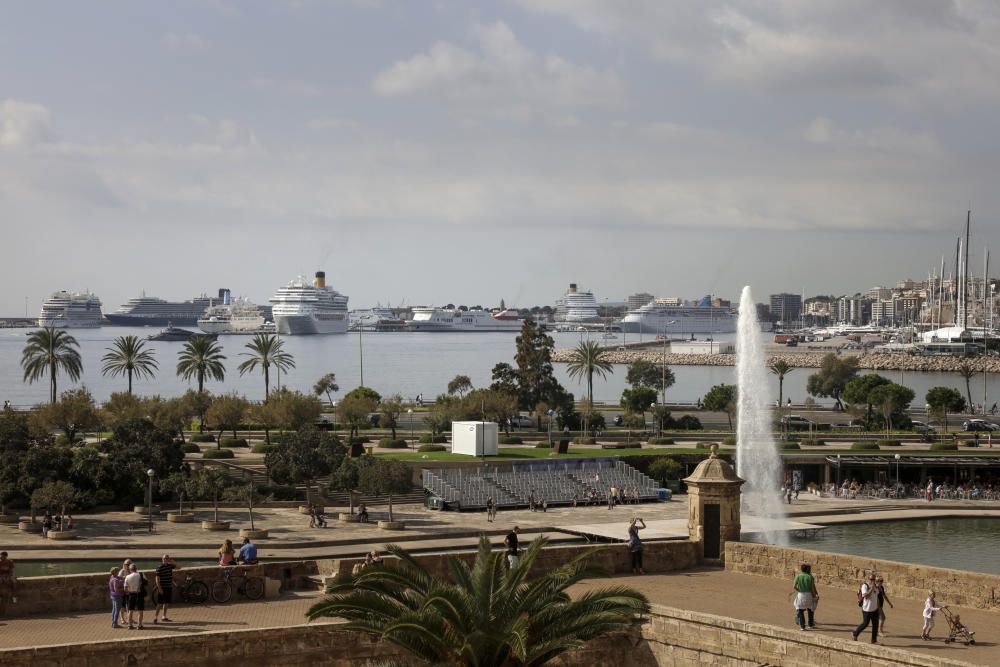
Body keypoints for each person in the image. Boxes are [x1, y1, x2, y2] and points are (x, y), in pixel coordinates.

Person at [852, 574, 880, 643]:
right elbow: (866, 596)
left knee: (875, 625)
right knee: (865, 624)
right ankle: (855, 634)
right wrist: (871, 589)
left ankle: (873, 640)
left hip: (874, 609)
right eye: (871, 579)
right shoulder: (865, 586)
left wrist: (879, 608)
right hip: (867, 610)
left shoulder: (876, 587)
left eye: (874, 580)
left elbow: (877, 597)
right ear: (868, 579)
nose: (872, 581)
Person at [152, 554, 179, 623]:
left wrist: (173, 562)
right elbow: (157, 580)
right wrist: (160, 588)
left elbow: (179, 567)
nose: (166, 560)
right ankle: (155, 617)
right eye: (164, 558)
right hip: (162, 587)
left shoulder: (170, 566)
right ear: (162, 559)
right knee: (159, 603)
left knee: (166, 603)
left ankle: (164, 616)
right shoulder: (159, 568)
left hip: (169, 587)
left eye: (167, 558)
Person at [792, 563, 818, 630]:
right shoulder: (810, 577)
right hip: (809, 595)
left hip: (801, 595)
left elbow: (794, 586)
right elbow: (812, 588)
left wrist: (799, 590)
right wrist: (815, 596)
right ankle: (810, 624)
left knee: (800, 610)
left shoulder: (798, 576)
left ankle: (802, 626)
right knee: (810, 609)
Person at [124, 564, 146, 630]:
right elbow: (146, 582)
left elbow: (125, 588)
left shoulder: (127, 577)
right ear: (136, 569)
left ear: (130, 569)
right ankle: (139, 625)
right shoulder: (141, 574)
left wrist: (128, 592)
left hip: (131, 594)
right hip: (139, 594)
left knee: (130, 610)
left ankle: (130, 625)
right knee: (140, 610)